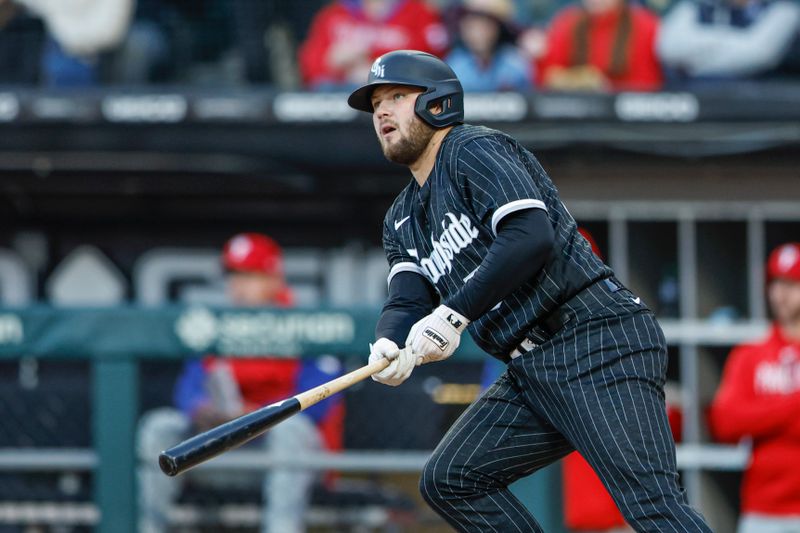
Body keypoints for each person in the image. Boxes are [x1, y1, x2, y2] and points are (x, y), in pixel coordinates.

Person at [346, 49, 711, 532]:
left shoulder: (472, 149)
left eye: (395, 96)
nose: (383, 113)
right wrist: (389, 341)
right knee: (452, 479)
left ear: (438, 103)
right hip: (531, 368)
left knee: (652, 506)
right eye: (375, 105)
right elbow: (409, 298)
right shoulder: (400, 216)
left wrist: (453, 314)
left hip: (594, 339)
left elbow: (528, 235)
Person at [137, 232, 344, 533]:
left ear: (274, 279)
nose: (238, 286)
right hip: (225, 451)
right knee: (159, 426)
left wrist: (256, 414)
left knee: (291, 429)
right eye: (234, 276)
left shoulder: (305, 324)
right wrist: (203, 410)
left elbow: (319, 402)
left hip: (283, 459)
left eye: (250, 276)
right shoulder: (217, 326)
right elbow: (186, 391)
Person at [709, 242, 800, 533]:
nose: (781, 294)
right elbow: (725, 421)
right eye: (776, 283)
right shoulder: (750, 354)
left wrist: (764, 416)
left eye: (792, 284)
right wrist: (793, 406)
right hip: (763, 511)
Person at [298, 0, 448, 90]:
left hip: (399, 93)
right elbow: (309, 65)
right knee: (324, 88)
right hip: (342, 95)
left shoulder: (417, 11)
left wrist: (374, 67)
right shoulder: (334, 13)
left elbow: (434, 61)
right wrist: (331, 62)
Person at [657, 0, 800, 83]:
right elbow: (668, 48)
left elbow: (757, 54)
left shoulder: (784, 8)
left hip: (764, 114)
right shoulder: (697, 5)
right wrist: (733, 42)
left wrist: (694, 62)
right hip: (697, 105)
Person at [537, 0, 663, 92]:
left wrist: (606, 88)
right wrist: (581, 80)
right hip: (574, 120)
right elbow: (547, 76)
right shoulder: (568, 22)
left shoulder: (646, 25)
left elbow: (647, 86)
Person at [444, 0, 533, 91]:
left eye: (485, 26)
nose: (479, 33)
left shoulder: (515, 65)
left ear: (498, 28)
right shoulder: (453, 68)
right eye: (472, 26)